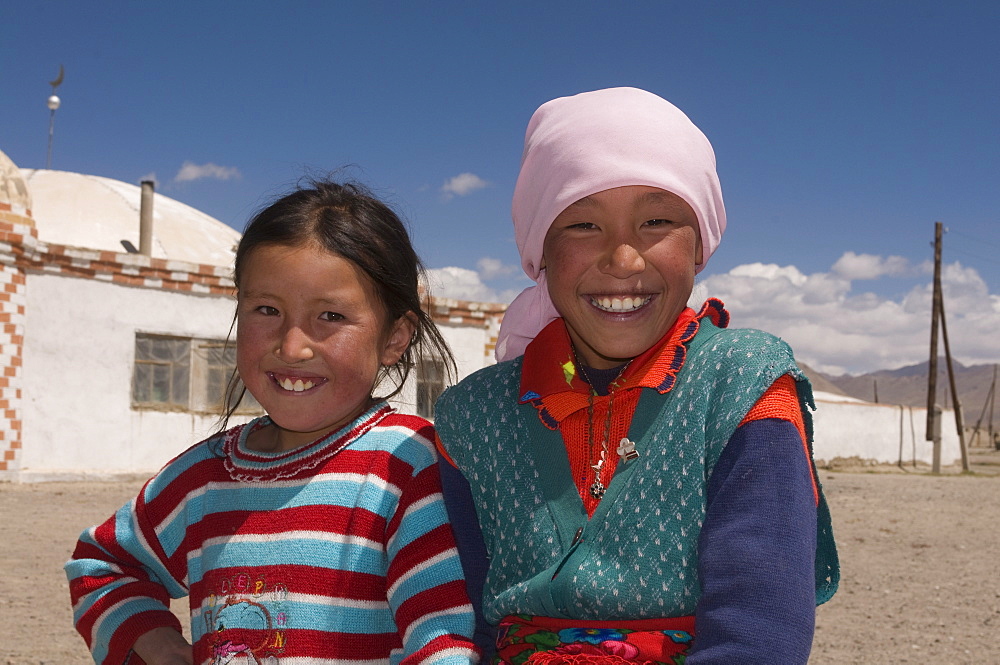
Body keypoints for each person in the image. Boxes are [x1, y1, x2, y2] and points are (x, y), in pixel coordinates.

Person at [434, 87, 839, 664]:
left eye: (657, 220)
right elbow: (455, 621)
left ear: (700, 245)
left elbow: (758, 634)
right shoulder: (473, 417)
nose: (623, 260)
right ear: (538, 250)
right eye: (581, 225)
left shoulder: (742, 386)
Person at [66, 180, 479, 665]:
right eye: (266, 310)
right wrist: (158, 645)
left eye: (329, 315)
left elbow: (445, 641)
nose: (291, 346)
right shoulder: (203, 478)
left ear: (394, 338)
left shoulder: (407, 466)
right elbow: (103, 564)